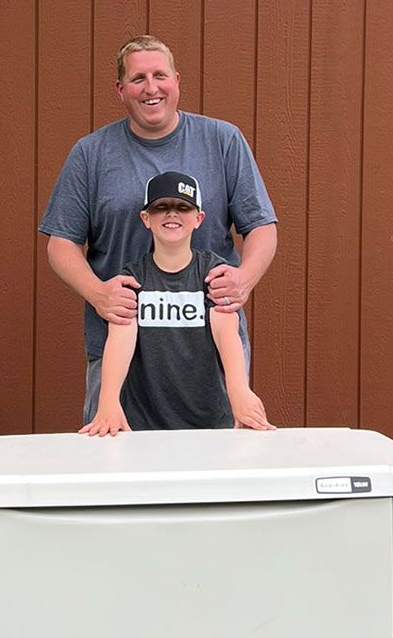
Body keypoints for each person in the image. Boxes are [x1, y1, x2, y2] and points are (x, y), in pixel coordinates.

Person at [40, 36, 278, 422]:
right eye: (138, 79)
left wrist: (243, 280)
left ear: (177, 81)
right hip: (119, 338)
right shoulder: (91, 153)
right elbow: (60, 242)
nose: (151, 88)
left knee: (216, 468)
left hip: (208, 347)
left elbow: (262, 227)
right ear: (121, 90)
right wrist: (99, 294)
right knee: (115, 461)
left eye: (160, 75)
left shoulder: (222, 141)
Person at [81, 170, 272, 435]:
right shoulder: (133, 279)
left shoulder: (213, 273)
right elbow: (120, 337)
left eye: (183, 207)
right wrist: (108, 400)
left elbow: (226, 330)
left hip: (208, 422)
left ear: (198, 218)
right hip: (144, 423)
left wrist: (239, 390)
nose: (172, 214)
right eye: (162, 207)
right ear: (146, 219)